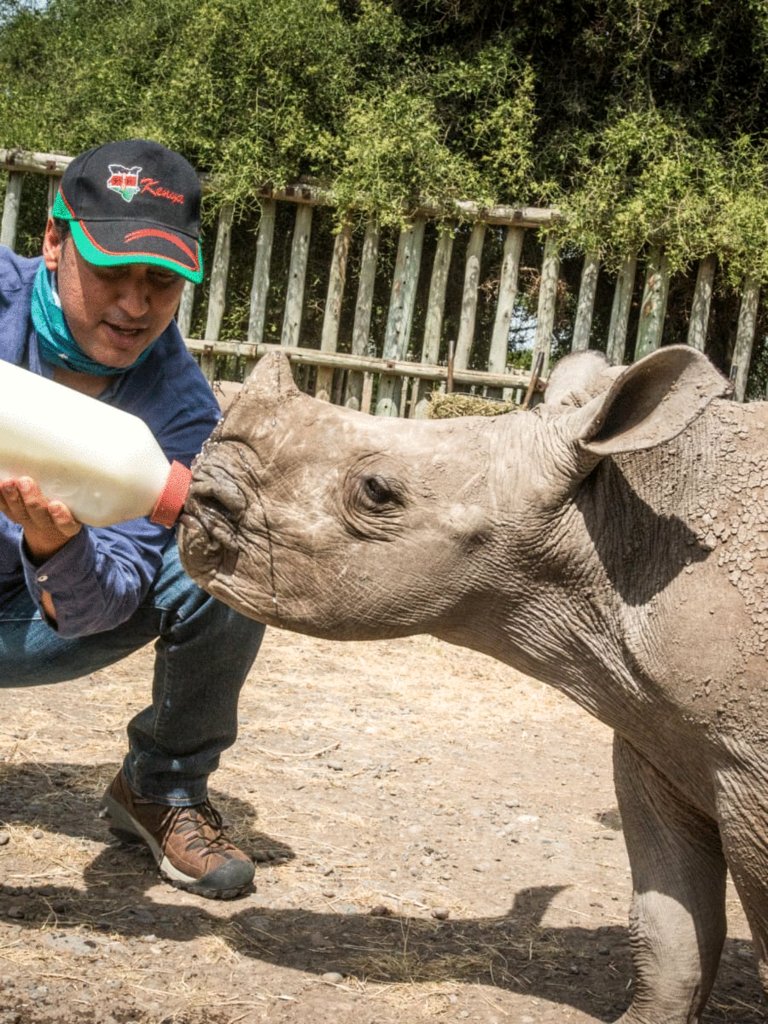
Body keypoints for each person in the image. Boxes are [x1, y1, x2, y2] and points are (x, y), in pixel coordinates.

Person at [0, 139, 266, 900]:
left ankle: (162, 786)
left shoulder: (179, 411)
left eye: (163, 281)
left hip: (35, 620)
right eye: (113, 270)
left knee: (225, 544)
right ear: (54, 239)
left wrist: (58, 543)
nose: (136, 304)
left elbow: (104, 605)